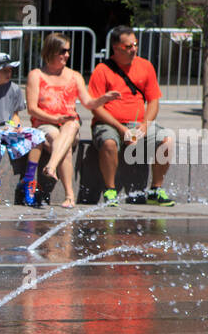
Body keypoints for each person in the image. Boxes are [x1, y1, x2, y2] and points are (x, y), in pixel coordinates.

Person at [27, 34, 119, 208]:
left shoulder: (74, 76)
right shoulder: (36, 75)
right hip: (44, 122)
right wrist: (54, 118)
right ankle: (70, 194)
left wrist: (103, 98)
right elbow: (32, 109)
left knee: (72, 124)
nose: (67, 55)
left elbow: (89, 103)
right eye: (62, 51)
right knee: (61, 142)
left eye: (68, 51)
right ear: (50, 51)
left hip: (68, 124)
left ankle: (51, 166)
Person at [87, 26, 175, 207]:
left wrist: (144, 125)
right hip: (110, 124)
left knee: (167, 139)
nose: (133, 49)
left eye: (135, 44)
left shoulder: (145, 66)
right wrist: (122, 129)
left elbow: (153, 101)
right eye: (128, 47)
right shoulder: (102, 70)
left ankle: (155, 190)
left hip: (138, 123)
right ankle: (110, 190)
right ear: (116, 48)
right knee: (109, 143)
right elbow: (96, 107)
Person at [0, 52, 50, 208]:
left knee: (38, 136)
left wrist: (15, 126)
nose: (9, 73)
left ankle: (28, 180)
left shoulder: (14, 89)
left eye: (10, 69)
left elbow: (15, 115)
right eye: (4, 70)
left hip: (6, 130)